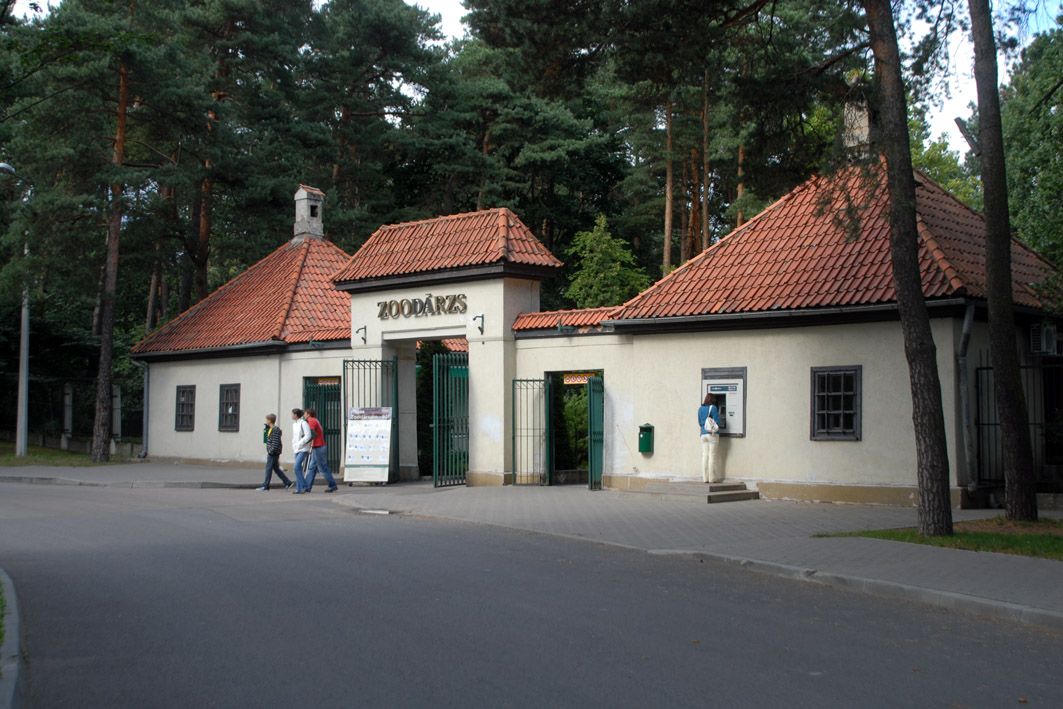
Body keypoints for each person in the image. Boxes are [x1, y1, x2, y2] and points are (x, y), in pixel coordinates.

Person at [304, 407, 338, 493]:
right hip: (318, 446)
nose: (304, 415)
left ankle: (332, 485)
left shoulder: (311, 421)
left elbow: (311, 434)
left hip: (318, 446)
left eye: (305, 413)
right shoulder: (315, 420)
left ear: (308, 414)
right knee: (312, 467)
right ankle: (307, 486)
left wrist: (305, 442)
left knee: (322, 467)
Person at [257, 413, 292, 491]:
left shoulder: (275, 430)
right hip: (272, 452)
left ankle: (265, 486)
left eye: (267, 420)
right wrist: (266, 430)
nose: (266, 421)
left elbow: (275, 442)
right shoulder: (270, 429)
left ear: (270, 420)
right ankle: (287, 482)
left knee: (268, 469)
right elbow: (266, 440)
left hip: (273, 453)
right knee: (276, 469)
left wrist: (271, 451)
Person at [698, 392, 722, 483]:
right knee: (712, 455)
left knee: (705, 455)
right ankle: (712, 478)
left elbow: (700, 423)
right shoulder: (713, 408)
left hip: (703, 435)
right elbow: (717, 422)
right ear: (713, 400)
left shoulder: (700, 409)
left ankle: (705, 478)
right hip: (712, 435)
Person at [290, 408, 313, 494]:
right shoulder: (294, 424)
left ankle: (304, 485)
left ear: (296, 415)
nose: (291, 415)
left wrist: (299, 444)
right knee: (298, 469)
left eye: (292, 414)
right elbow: (295, 437)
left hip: (303, 448)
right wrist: (294, 445)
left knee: (296, 467)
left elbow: (308, 435)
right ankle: (299, 489)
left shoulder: (303, 423)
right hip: (296, 449)